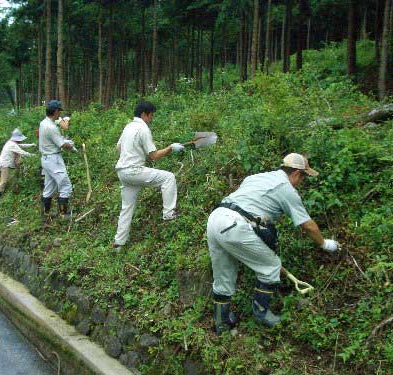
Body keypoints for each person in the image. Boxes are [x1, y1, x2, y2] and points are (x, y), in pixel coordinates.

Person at [207, 153, 340, 333]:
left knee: (224, 275)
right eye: (303, 178)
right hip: (235, 226)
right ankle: (261, 314)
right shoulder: (286, 189)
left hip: (216, 218)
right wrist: (325, 244)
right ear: (296, 174)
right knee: (271, 268)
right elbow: (307, 225)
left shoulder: (257, 177)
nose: (301, 183)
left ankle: (221, 323)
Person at [113, 101, 185, 248]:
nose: (152, 118)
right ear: (144, 114)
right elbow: (154, 156)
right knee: (169, 177)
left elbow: (118, 147)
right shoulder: (143, 128)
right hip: (134, 170)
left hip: (122, 171)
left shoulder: (128, 127)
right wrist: (171, 148)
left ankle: (119, 244)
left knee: (126, 207)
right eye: (151, 115)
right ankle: (169, 215)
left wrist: (131, 154)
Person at [39, 100, 76, 220]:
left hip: (46, 159)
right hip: (53, 159)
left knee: (50, 186)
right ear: (55, 111)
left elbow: (54, 140)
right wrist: (70, 145)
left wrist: (63, 140)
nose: (60, 114)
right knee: (65, 185)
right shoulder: (51, 127)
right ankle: (63, 214)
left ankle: (46, 213)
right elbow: (62, 145)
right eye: (59, 111)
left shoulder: (43, 123)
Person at [0, 128, 35, 202]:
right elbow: (22, 152)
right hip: (4, 164)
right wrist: (33, 155)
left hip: (4, 162)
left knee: (4, 180)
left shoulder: (10, 142)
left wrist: (31, 145)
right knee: (4, 181)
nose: (21, 140)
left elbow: (21, 145)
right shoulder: (12, 145)